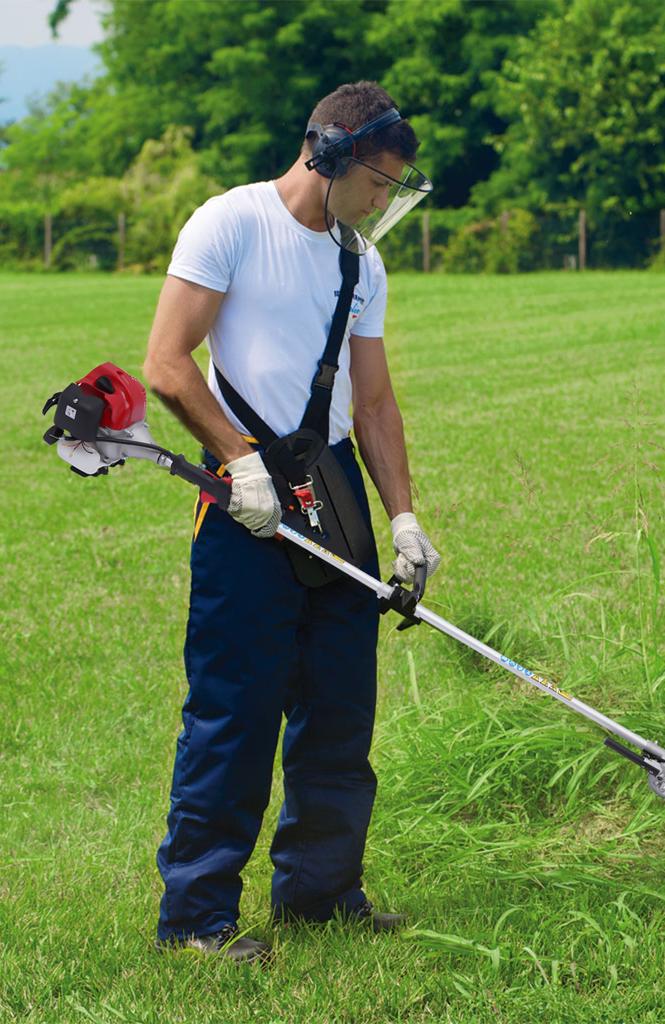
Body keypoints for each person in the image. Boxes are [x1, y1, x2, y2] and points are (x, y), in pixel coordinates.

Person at [143, 81, 440, 963]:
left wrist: (405, 516)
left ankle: (320, 892)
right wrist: (236, 460)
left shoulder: (362, 263)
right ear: (333, 156)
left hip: (334, 491)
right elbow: (166, 363)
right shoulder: (230, 223)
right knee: (237, 708)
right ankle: (196, 919)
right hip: (245, 497)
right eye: (380, 184)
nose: (384, 201)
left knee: (341, 707)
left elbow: (376, 401)